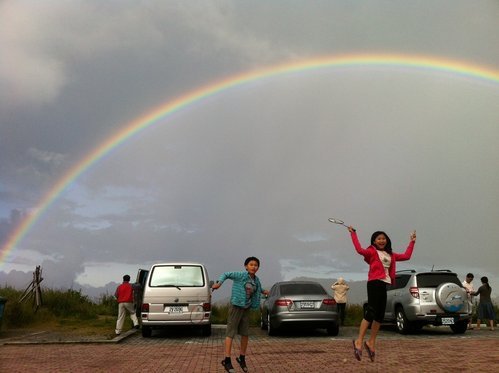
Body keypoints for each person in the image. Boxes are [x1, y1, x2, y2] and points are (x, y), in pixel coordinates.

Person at [348, 226, 416, 362]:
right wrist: (353, 234)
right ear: (374, 241)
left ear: (387, 240)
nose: (381, 240)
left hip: (384, 284)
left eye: (383, 238)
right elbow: (359, 250)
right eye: (378, 238)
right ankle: (359, 341)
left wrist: (412, 242)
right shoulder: (371, 252)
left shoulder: (391, 255)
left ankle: (371, 342)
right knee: (371, 312)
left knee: (379, 316)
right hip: (374, 283)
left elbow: (407, 256)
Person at [212, 257, 269, 373]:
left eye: (256, 265)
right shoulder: (240, 275)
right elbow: (226, 274)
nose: (254, 267)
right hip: (236, 306)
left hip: (246, 308)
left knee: (245, 334)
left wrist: (264, 291)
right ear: (246, 266)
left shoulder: (256, 280)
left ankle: (241, 358)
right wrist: (219, 283)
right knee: (230, 333)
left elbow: (257, 289)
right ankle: (227, 360)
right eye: (251, 264)